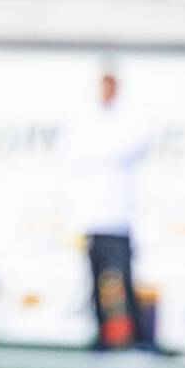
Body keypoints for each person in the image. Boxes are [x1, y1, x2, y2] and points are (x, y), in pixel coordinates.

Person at [63, 70, 152, 350]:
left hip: (119, 215)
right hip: (93, 215)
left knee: (124, 277)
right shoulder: (87, 119)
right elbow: (74, 152)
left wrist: (100, 152)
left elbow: (129, 147)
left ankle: (136, 334)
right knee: (93, 278)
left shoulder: (128, 119)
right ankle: (102, 332)